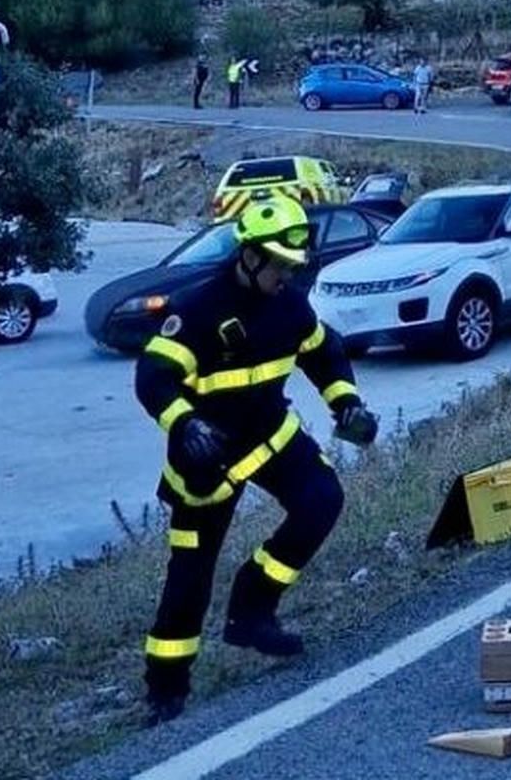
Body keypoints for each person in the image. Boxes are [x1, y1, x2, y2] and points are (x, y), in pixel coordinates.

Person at [131, 193, 381, 726]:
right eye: (281, 267)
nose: (287, 277)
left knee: (321, 500)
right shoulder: (195, 310)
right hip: (207, 459)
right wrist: (184, 422)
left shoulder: (290, 304)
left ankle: (252, 610)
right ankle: (165, 687)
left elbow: (323, 351)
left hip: (270, 434)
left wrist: (347, 404)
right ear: (249, 257)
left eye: (295, 267)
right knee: (191, 575)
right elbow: (153, 377)